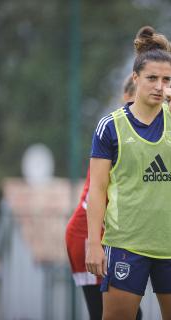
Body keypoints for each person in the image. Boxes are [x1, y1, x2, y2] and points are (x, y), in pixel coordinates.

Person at [86, 25, 171, 320]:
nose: (159, 86)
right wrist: (93, 243)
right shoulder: (110, 127)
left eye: (166, 80)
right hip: (126, 244)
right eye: (152, 78)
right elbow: (97, 189)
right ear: (135, 78)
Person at [65, 75, 143, 320]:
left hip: (112, 240)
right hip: (89, 236)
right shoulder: (114, 134)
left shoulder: (145, 139)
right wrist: (95, 245)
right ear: (127, 97)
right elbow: (95, 201)